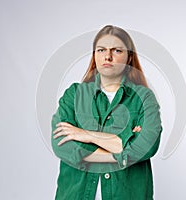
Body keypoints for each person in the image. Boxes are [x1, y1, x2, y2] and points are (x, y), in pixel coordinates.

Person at [51, 25, 162, 200]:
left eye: (117, 50)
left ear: (129, 57)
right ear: (94, 56)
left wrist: (86, 135)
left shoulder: (144, 98)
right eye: (101, 50)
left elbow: (146, 146)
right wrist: (122, 146)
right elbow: (62, 146)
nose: (107, 56)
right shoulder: (74, 95)